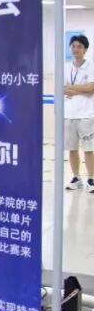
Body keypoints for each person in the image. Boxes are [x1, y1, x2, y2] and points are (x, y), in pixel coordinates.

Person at [63, 33, 94, 192]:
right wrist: (82, 89)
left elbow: (91, 87)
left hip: (86, 115)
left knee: (88, 149)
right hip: (69, 114)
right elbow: (63, 89)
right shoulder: (66, 67)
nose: (75, 49)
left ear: (85, 49)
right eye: (73, 46)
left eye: (79, 47)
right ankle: (76, 178)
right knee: (72, 148)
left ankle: (91, 178)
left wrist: (73, 89)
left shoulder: (91, 66)